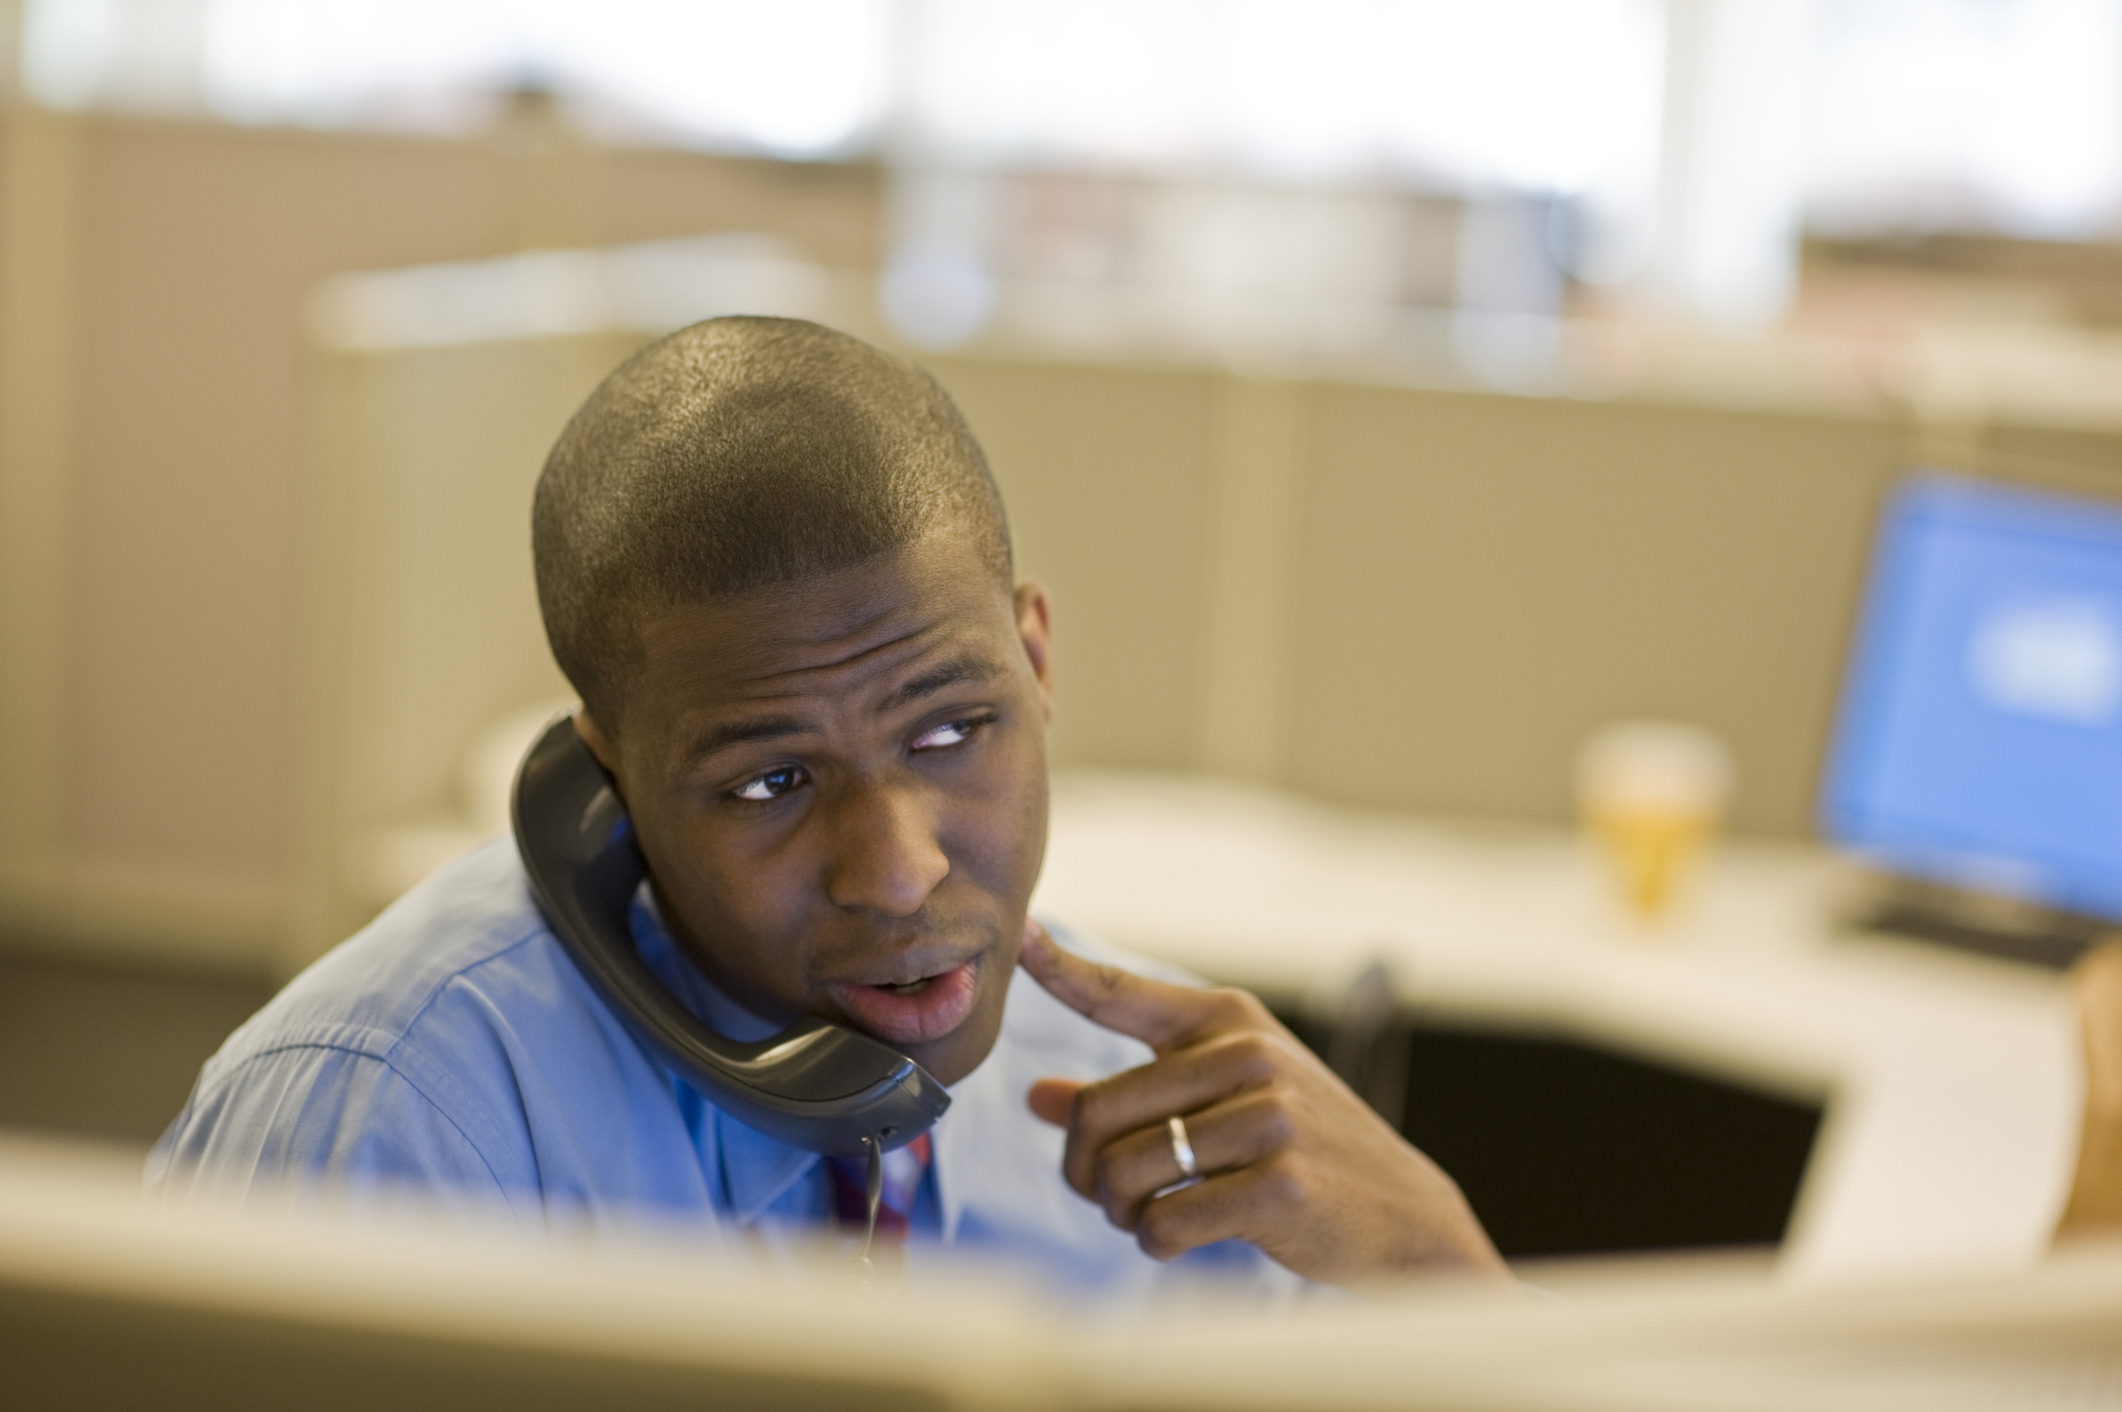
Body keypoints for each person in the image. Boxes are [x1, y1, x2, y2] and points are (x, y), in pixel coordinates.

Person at [149, 317, 1503, 1296]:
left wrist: (1438, 1268)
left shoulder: (1159, 1112)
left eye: (953, 729)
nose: (901, 872)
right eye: (770, 783)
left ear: (1036, 661)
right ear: (611, 772)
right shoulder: (406, 1119)